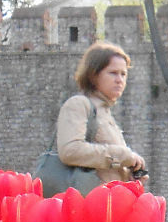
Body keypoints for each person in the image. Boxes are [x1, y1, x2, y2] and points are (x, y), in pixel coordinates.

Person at [57, 42, 146, 183]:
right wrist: (124, 155)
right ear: (93, 75)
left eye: (123, 74)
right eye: (113, 73)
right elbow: (70, 151)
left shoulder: (105, 113)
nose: (120, 80)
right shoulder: (79, 104)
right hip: (86, 200)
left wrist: (129, 172)